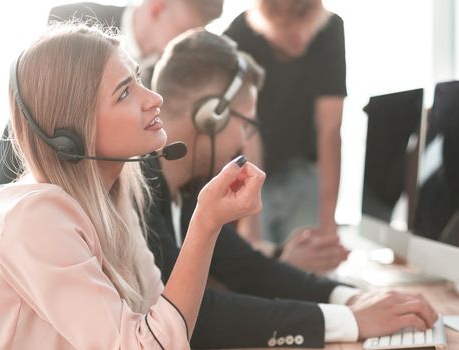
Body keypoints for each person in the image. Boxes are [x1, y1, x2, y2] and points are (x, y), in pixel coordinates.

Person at [0, 23, 264, 349]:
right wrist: (205, 223)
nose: (154, 98)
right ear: (74, 131)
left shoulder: (115, 198)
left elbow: (162, 325)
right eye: (125, 92)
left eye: (138, 79)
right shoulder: (34, 219)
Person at [146, 28, 439, 348]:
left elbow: (248, 269)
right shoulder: (140, 191)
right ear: (211, 117)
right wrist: (350, 320)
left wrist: (352, 297)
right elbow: (195, 315)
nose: (245, 141)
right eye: (246, 125)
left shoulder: (185, 192)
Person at [0, 0, 223, 185]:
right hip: (34, 153)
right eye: (183, 31)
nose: (183, 44)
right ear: (157, 7)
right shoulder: (72, 18)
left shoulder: (164, 71)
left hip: (103, 182)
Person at [225, 0, 346, 249]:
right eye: (289, 32)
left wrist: (328, 224)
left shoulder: (330, 28)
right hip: (253, 165)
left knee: (311, 258)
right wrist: (252, 227)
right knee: (259, 257)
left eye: (308, 28)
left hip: (304, 168)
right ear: (264, 26)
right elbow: (249, 131)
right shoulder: (240, 34)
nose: (301, 39)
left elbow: (330, 129)